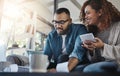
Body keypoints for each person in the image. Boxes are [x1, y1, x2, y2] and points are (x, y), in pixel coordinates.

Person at [67, 0, 120, 72]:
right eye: (84, 14)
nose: (85, 17)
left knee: (88, 69)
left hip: (116, 63)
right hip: (100, 64)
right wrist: (91, 51)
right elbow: (94, 61)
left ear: (100, 12)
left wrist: (102, 46)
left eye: (88, 13)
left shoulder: (118, 27)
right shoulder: (93, 32)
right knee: (75, 69)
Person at [43, 8, 88, 72]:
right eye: (55, 22)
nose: (58, 26)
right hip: (59, 63)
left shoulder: (80, 29)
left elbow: (78, 52)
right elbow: (45, 57)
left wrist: (59, 71)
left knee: (62, 58)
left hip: (76, 62)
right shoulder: (51, 36)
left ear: (70, 21)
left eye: (62, 22)